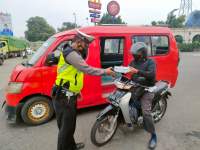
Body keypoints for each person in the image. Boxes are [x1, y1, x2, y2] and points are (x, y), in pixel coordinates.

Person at [51, 30, 115, 150]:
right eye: (85, 45)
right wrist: (105, 71)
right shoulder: (72, 54)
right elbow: (87, 69)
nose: (86, 47)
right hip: (65, 97)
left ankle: (71, 146)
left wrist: (76, 90)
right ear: (79, 42)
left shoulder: (70, 52)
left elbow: (72, 74)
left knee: (68, 126)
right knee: (66, 129)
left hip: (67, 93)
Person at [128, 42, 157, 149]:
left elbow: (152, 75)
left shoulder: (151, 62)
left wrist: (137, 71)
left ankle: (153, 135)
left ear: (143, 53)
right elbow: (128, 70)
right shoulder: (133, 62)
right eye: (134, 53)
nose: (134, 55)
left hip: (147, 89)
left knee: (146, 113)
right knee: (125, 100)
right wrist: (118, 70)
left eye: (137, 53)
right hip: (136, 86)